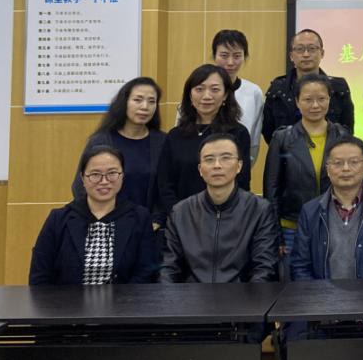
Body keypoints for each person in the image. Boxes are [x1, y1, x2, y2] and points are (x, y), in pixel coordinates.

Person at [160, 134, 280, 283]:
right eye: (209, 159)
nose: (217, 165)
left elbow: (264, 269)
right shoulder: (181, 212)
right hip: (192, 295)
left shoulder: (259, 210)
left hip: (243, 295)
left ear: (239, 166)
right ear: (200, 169)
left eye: (226, 158)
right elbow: (168, 268)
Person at [31, 147, 159, 285]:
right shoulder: (58, 219)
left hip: (125, 298)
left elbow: (146, 271)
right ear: (82, 178)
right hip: (66, 299)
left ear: (122, 176)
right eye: (95, 174)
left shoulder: (140, 217)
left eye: (112, 173)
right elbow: (40, 275)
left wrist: (122, 298)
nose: (104, 181)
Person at [290, 136, 363, 279]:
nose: (346, 168)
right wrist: (318, 293)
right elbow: (300, 266)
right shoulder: (310, 211)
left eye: (354, 162)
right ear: (328, 169)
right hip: (321, 292)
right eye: (338, 163)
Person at [264, 74, 349, 257]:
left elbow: (350, 184)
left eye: (321, 99)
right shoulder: (282, 139)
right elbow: (272, 189)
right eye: (308, 100)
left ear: (329, 99)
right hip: (291, 228)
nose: (315, 105)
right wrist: (276, 235)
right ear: (297, 102)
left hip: (334, 226)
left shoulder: (342, 135)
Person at [156, 64, 251, 222]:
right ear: (190, 95)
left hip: (225, 220)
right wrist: (179, 215)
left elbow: (242, 182)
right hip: (181, 220)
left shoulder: (238, 133)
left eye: (215, 89)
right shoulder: (175, 135)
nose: (207, 96)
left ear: (226, 95)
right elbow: (165, 184)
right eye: (199, 89)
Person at [72, 77, 165, 214]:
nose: (145, 107)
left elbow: (166, 188)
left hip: (149, 223)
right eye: (138, 100)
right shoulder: (101, 140)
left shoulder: (162, 142)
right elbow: (80, 187)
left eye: (151, 101)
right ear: (124, 102)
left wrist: (156, 220)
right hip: (107, 220)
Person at [263, 28, 354, 141]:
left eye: (312, 49)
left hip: (331, 151)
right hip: (287, 150)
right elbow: (268, 131)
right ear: (291, 56)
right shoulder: (278, 89)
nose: (306, 54)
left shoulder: (338, 88)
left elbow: (347, 129)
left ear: (322, 53)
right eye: (300, 49)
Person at [210, 30, 265, 164]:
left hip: (238, 166)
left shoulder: (253, 92)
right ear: (214, 56)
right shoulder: (199, 88)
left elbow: (254, 141)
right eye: (224, 55)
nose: (230, 62)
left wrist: (243, 167)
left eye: (237, 56)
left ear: (244, 57)